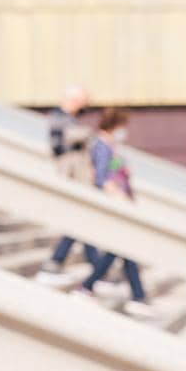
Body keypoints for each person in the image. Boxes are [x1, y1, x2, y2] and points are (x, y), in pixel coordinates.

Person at [72, 107, 158, 318]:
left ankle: (136, 295)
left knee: (123, 248)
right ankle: (91, 287)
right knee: (121, 247)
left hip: (120, 203)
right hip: (114, 205)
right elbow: (101, 178)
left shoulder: (110, 146)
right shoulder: (101, 146)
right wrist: (119, 198)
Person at [33, 85, 94, 287]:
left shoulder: (67, 121)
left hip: (75, 181)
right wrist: (85, 135)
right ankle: (55, 263)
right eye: (84, 101)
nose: (86, 106)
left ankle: (95, 270)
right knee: (77, 225)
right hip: (70, 181)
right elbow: (60, 146)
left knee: (82, 226)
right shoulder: (59, 119)